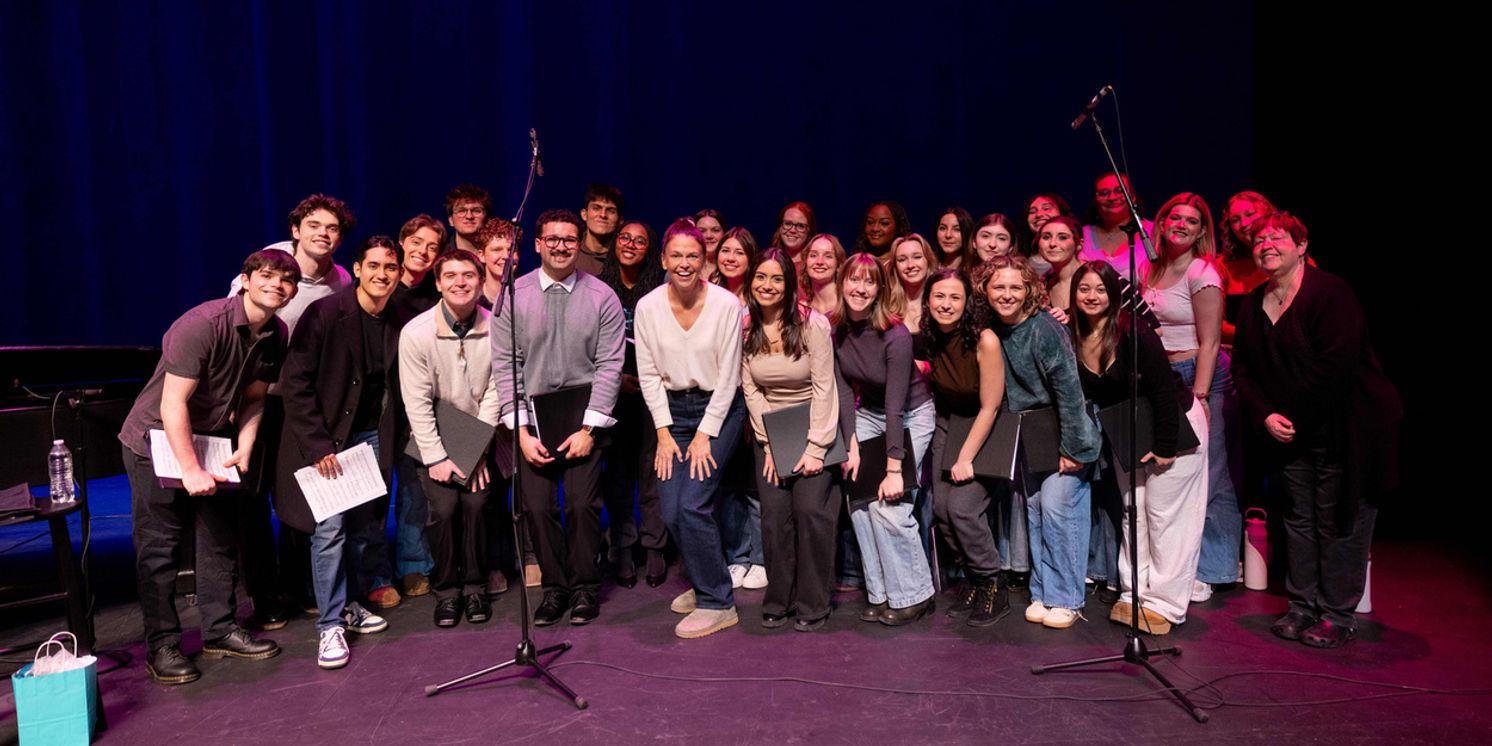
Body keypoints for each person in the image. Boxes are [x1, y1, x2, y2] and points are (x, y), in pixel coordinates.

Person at [119, 249, 300, 685]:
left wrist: (246, 445)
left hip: (213, 438)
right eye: (267, 276)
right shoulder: (203, 323)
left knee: (218, 540)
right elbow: (172, 402)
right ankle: (162, 644)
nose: (277, 285)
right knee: (160, 547)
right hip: (155, 439)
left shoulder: (276, 332)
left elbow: (255, 397)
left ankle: (219, 630)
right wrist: (189, 468)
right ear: (245, 279)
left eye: (286, 280)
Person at [1232, 212, 1400, 648]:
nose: (1266, 244)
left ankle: (1337, 613)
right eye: (1259, 240)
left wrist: (1291, 415)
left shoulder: (1330, 293)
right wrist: (1266, 415)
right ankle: (1301, 605)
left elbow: (1336, 365)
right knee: (1299, 521)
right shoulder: (1252, 304)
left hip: (1346, 428)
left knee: (1339, 519)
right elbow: (1245, 370)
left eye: (1278, 237)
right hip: (1288, 431)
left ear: (1302, 246)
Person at [276, 236, 411, 668]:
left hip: (372, 438)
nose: (382, 274)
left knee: (361, 527)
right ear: (356, 269)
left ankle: (350, 604)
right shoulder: (325, 314)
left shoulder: (400, 317)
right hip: (328, 442)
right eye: (373, 266)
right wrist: (318, 445)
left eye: (390, 267)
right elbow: (295, 386)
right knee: (329, 531)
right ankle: (329, 625)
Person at [229, 195, 364, 627]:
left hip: (301, 405)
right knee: (252, 502)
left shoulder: (342, 280)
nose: (323, 233)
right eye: (314, 225)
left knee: (301, 500)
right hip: (256, 401)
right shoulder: (269, 270)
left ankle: (299, 585)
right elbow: (234, 336)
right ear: (296, 229)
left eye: (332, 228)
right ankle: (264, 596)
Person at [493, 209, 625, 626]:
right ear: (537, 244)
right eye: (552, 239)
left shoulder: (602, 296)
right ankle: (555, 588)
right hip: (533, 421)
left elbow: (609, 365)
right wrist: (522, 432)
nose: (561, 246)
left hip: (584, 417)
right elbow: (506, 365)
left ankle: (585, 586)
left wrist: (589, 429)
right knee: (535, 507)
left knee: (584, 504)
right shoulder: (513, 295)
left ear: (578, 243)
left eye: (569, 239)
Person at [1069, 261, 1208, 635]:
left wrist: (1165, 446)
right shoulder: (1075, 334)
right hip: (1128, 429)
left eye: (1100, 289)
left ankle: (1165, 603)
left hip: (1172, 427)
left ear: (1114, 294)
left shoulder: (1135, 333)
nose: (1092, 296)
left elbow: (1164, 391)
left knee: (1167, 516)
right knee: (1134, 511)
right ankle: (1134, 593)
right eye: (1084, 289)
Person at [634, 218, 748, 639]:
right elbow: (647, 375)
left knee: (692, 504)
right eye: (676, 255)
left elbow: (729, 376)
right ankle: (706, 582)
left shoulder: (725, 305)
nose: (684, 264)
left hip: (717, 409)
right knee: (669, 510)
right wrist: (664, 433)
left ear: (706, 260)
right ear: (664, 258)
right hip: (670, 413)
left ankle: (718, 601)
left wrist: (704, 433)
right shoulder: (648, 307)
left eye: (693, 256)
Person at [983, 256, 1101, 630]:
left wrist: (1074, 448)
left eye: (1015, 287)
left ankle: (1066, 597)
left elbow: (1069, 391)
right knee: (1035, 511)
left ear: (1029, 290)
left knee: (1059, 508)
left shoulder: (1045, 328)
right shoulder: (994, 329)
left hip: (1062, 428)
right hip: (1029, 432)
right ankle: (1043, 591)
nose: (1006, 294)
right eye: (998, 287)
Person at [399, 249, 503, 628]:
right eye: (452, 276)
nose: (461, 282)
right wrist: (438, 457)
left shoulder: (497, 327)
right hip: (433, 433)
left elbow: (496, 391)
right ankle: (447, 590)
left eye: (469, 275)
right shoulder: (416, 332)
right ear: (439, 283)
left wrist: (474, 448)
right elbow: (417, 402)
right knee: (443, 511)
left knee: (476, 506)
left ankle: (475, 586)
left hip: (474, 430)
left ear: (480, 281)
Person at [1143, 193, 1240, 601]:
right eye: (1174, 217)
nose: (1181, 225)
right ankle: (1180, 564)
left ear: (1202, 232)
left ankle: (1215, 568)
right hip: (1163, 377)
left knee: (1211, 474)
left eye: (1192, 221)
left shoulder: (1203, 273)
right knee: (1177, 477)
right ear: (1162, 223)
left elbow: (1212, 341)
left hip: (1198, 375)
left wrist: (1200, 396)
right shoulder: (1153, 268)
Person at [739, 249, 841, 631]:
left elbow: (824, 385)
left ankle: (813, 602)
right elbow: (750, 387)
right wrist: (769, 442)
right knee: (775, 516)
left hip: (817, 425)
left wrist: (815, 447)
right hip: (772, 430)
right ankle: (779, 597)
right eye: (761, 278)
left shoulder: (812, 324)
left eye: (776, 279)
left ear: (789, 284)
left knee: (810, 512)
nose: (767, 285)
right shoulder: (746, 327)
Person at [835, 254, 936, 626]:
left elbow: (896, 406)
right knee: (859, 498)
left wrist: (894, 468)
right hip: (869, 414)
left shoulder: (895, 335)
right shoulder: (838, 330)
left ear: (879, 289)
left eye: (869, 281)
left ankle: (916, 593)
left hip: (911, 414)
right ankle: (880, 592)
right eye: (853, 280)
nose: (860, 288)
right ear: (842, 282)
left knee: (888, 502)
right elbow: (845, 393)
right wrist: (850, 444)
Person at [922, 268, 1011, 626]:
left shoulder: (984, 339)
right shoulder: (930, 337)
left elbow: (990, 406)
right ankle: (974, 578)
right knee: (941, 510)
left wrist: (965, 457)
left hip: (987, 425)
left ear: (967, 302)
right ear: (927, 301)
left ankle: (993, 583)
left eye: (955, 297)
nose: (946, 304)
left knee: (962, 508)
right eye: (939, 296)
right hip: (950, 422)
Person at [597, 220, 670, 588]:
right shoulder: (598, 286)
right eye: (625, 237)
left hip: (653, 392)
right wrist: (615, 380)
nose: (630, 244)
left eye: (640, 240)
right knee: (618, 474)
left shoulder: (660, 287)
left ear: (650, 249)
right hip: (610, 393)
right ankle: (622, 546)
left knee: (653, 471)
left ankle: (654, 547)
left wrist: (649, 379)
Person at [711, 227, 767, 589]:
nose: (730, 257)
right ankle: (738, 555)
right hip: (716, 400)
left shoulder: (759, 298)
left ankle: (761, 558)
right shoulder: (709, 294)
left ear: (751, 259)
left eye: (739, 253)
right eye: (725, 251)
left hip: (752, 399)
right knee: (727, 484)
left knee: (755, 485)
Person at [1080, 172, 1153, 281]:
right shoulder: (1082, 234)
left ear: (1132, 197)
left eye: (1120, 191)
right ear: (1095, 199)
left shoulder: (1153, 232)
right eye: (1104, 193)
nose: (1112, 197)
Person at [576, 183, 624, 277]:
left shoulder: (625, 258)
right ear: (584, 214)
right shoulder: (570, 251)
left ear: (620, 220)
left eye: (610, 211)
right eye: (596, 208)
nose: (603, 215)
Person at [802, 233, 845, 318]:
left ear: (838, 264)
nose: (819, 262)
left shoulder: (848, 306)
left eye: (828, 256)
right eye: (813, 255)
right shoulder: (800, 311)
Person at [768, 201, 816, 274]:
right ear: (780, 227)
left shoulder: (814, 266)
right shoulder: (767, 261)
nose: (793, 230)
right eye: (788, 223)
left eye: (800, 226)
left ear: (809, 231)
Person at [443, 184, 491, 254]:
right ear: (451, 220)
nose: (469, 216)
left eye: (476, 211)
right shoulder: (441, 258)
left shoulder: (499, 255)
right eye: (461, 211)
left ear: (487, 218)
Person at [695, 209, 726, 282]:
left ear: (724, 233)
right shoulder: (684, 269)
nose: (709, 236)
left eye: (715, 230)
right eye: (702, 231)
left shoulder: (732, 269)